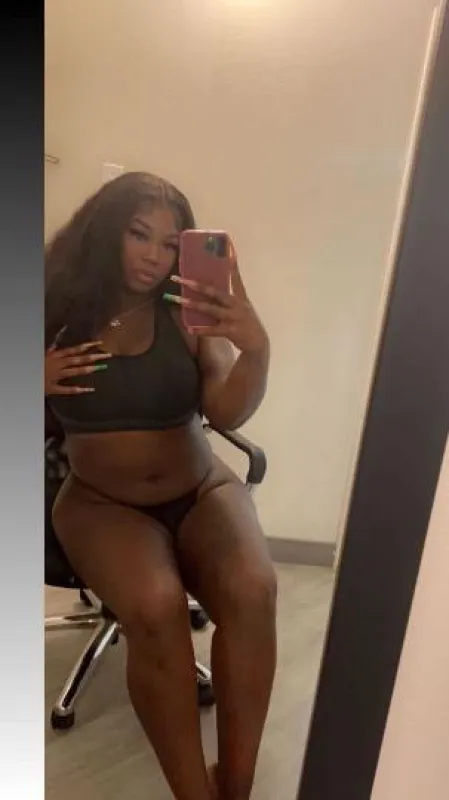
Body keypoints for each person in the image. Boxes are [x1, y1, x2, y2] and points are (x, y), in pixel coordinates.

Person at [45, 171, 277, 800]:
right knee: (153, 607)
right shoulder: (53, 305)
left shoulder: (186, 310)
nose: (154, 255)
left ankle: (236, 787)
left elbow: (225, 411)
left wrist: (255, 351)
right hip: (101, 502)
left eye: (171, 243)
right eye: (138, 234)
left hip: (200, 487)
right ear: (106, 233)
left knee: (254, 589)